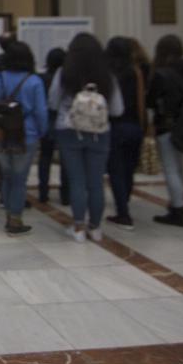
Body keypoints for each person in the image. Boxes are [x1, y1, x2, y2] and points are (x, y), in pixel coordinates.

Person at [49, 33, 124, 242]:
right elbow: (117, 109)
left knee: (77, 180)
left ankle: (79, 226)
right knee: (96, 181)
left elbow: (53, 102)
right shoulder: (107, 75)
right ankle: (96, 227)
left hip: (68, 129)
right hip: (100, 133)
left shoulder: (64, 73)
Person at [0, 40, 49, 235]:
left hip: (1, 133)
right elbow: (41, 111)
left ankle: (7, 209)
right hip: (26, 134)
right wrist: (43, 131)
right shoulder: (33, 81)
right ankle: (15, 219)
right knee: (19, 179)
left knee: (6, 175)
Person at [145, 34, 183, 227]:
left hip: (166, 124)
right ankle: (178, 202)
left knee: (170, 168)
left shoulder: (161, 73)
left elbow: (150, 100)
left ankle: (178, 208)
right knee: (179, 166)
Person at [104, 37, 144, 230]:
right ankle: (124, 202)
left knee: (116, 170)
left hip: (115, 125)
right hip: (134, 124)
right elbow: (140, 100)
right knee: (128, 169)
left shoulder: (108, 73)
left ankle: (123, 212)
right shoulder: (135, 71)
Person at [36, 47, 68, 205]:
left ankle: (43, 191)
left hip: (47, 118)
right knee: (65, 158)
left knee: (45, 156)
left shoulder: (42, 77)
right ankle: (65, 194)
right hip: (62, 118)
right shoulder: (65, 77)